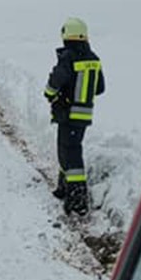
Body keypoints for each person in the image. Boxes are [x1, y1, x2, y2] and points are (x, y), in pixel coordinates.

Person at [44, 17, 106, 216]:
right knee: (68, 149)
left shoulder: (68, 57)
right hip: (84, 114)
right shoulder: (93, 58)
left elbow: (56, 81)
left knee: (70, 153)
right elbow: (100, 88)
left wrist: (50, 93)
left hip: (68, 113)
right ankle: (63, 188)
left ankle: (78, 201)